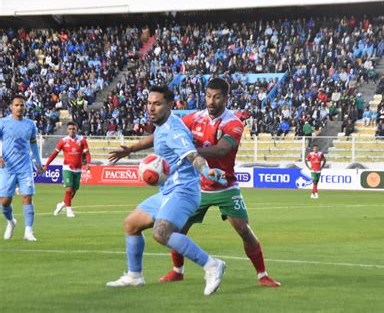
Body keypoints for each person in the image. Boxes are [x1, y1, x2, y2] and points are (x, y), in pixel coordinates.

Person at [105, 86, 227, 295]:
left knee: (161, 233)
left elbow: (192, 156)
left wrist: (206, 172)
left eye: (157, 104)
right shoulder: (163, 126)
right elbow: (154, 139)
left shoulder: (174, 131)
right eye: (149, 103)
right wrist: (131, 149)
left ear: (170, 105)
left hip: (184, 190)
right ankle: (135, 276)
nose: (151, 108)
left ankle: (212, 265)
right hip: (169, 190)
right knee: (131, 224)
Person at [159, 78, 280, 287]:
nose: (211, 101)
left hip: (225, 185)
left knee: (243, 229)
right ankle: (177, 271)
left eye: (216, 97)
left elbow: (221, 149)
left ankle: (263, 275)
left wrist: (187, 151)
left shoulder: (233, 123)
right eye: (208, 96)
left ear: (225, 98)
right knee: (178, 230)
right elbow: (170, 132)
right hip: (196, 186)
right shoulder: (193, 119)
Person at [0, 95, 44, 241]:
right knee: (5, 201)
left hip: (25, 166)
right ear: (11, 107)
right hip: (7, 167)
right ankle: (11, 221)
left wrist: (38, 162)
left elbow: (33, 144)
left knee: (27, 197)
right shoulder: (3, 123)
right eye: (17, 105)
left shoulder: (30, 124)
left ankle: (28, 231)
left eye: (22, 105)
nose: (20, 107)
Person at [43, 121, 91, 218]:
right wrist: (46, 165)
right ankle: (69, 210)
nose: (72, 131)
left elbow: (87, 153)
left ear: (76, 129)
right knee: (68, 189)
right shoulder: (63, 141)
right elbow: (54, 154)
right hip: (67, 168)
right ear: (67, 130)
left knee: (74, 191)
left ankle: (61, 204)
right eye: (70, 129)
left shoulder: (82, 140)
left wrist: (89, 163)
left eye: (73, 129)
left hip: (78, 169)